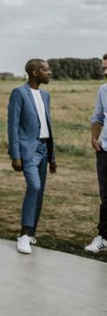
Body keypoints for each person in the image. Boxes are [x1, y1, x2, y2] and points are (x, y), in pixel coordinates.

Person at [8, 58, 57, 255]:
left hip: (45, 150)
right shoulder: (19, 93)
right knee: (34, 186)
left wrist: (52, 156)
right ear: (35, 73)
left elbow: (48, 126)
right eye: (46, 69)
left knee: (40, 192)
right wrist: (15, 154)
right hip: (28, 150)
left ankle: (31, 233)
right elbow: (12, 125)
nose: (50, 72)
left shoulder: (45, 95)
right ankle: (23, 234)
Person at [86, 54, 107, 253]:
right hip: (105, 151)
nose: (105, 72)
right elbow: (98, 116)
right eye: (104, 68)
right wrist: (94, 138)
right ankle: (103, 237)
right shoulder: (103, 90)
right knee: (105, 197)